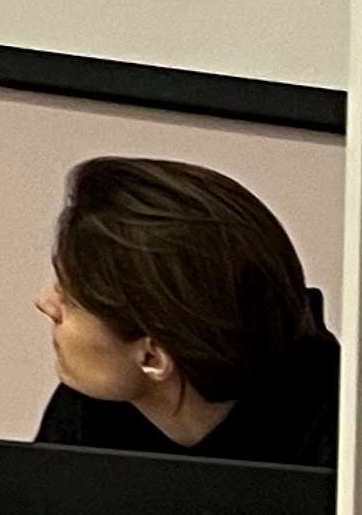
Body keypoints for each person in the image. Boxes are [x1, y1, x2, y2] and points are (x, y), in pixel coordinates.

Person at [31, 155, 341, 465]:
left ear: (152, 357)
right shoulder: (92, 400)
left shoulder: (340, 429)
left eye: (69, 300)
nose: (45, 302)